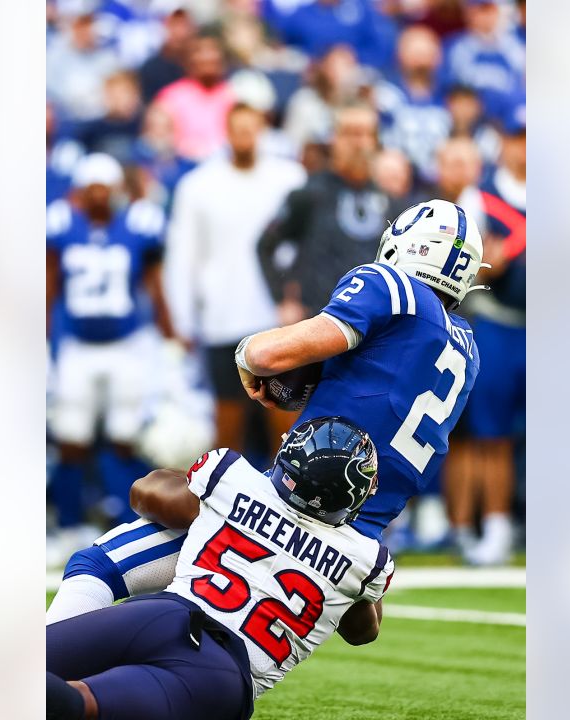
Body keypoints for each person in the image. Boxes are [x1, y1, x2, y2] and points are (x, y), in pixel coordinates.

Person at [47, 197, 483, 623]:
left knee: (103, 556)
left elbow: (267, 356)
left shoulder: (391, 286)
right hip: (351, 551)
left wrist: (246, 356)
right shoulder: (467, 351)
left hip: (280, 508)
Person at [46, 417, 392, 720]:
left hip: (160, 616)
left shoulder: (233, 476)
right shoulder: (366, 560)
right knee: (79, 704)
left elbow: (149, 494)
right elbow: (363, 632)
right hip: (220, 674)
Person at [46, 153, 178, 564]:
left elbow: (155, 285)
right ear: (81, 193)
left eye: (106, 187)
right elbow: (49, 285)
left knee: (125, 438)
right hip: (78, 348)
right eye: (92, 188)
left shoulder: (139, 225)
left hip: (127, 346)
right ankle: (69, 525)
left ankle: (126, 526)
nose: (100, 195)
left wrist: (169, 334)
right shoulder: (63, 225)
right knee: (71, 437)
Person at [165, 103, 308, 455]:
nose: (244, 136)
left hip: (277, 321)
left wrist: (298, 301)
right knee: (227, 423)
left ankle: (286, 507)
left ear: (262, 128)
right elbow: (182, 255)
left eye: (251, 127)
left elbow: (303, 247)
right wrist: (182, 319)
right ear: (226, 131)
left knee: (285, 425)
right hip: (222, 318)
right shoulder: (198, 185)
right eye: (237, 128)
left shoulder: (289, 179)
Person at [257, 103, 410, 325]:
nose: (359, 143)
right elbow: (265, 245)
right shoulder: (310, 194)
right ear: (334, 139)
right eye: (350, 133)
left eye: (367, 134)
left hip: (374, 329)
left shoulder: (390, 201)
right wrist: (283, 300)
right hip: (318, 325)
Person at [462, 114, 525, 565]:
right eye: (519, 138)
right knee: (493, 434)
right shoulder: (481, 196)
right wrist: (489, 259)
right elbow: (468, 265)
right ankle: (496, 524)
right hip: (498, 322)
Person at [375, 25, 453, 183]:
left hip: (440, 177)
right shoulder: (386, 93)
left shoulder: (450, 94)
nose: (421, 61)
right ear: (400, 54)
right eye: (416, 53)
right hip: (398, 175)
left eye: (426, 53)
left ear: (438, 56)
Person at [153, 32, 237, 162]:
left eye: (212, 50)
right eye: (200, 51)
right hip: (184, 163)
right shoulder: (171, 96)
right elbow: (158, 138)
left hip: (225, 162)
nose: (207, 57)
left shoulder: (233, 93)